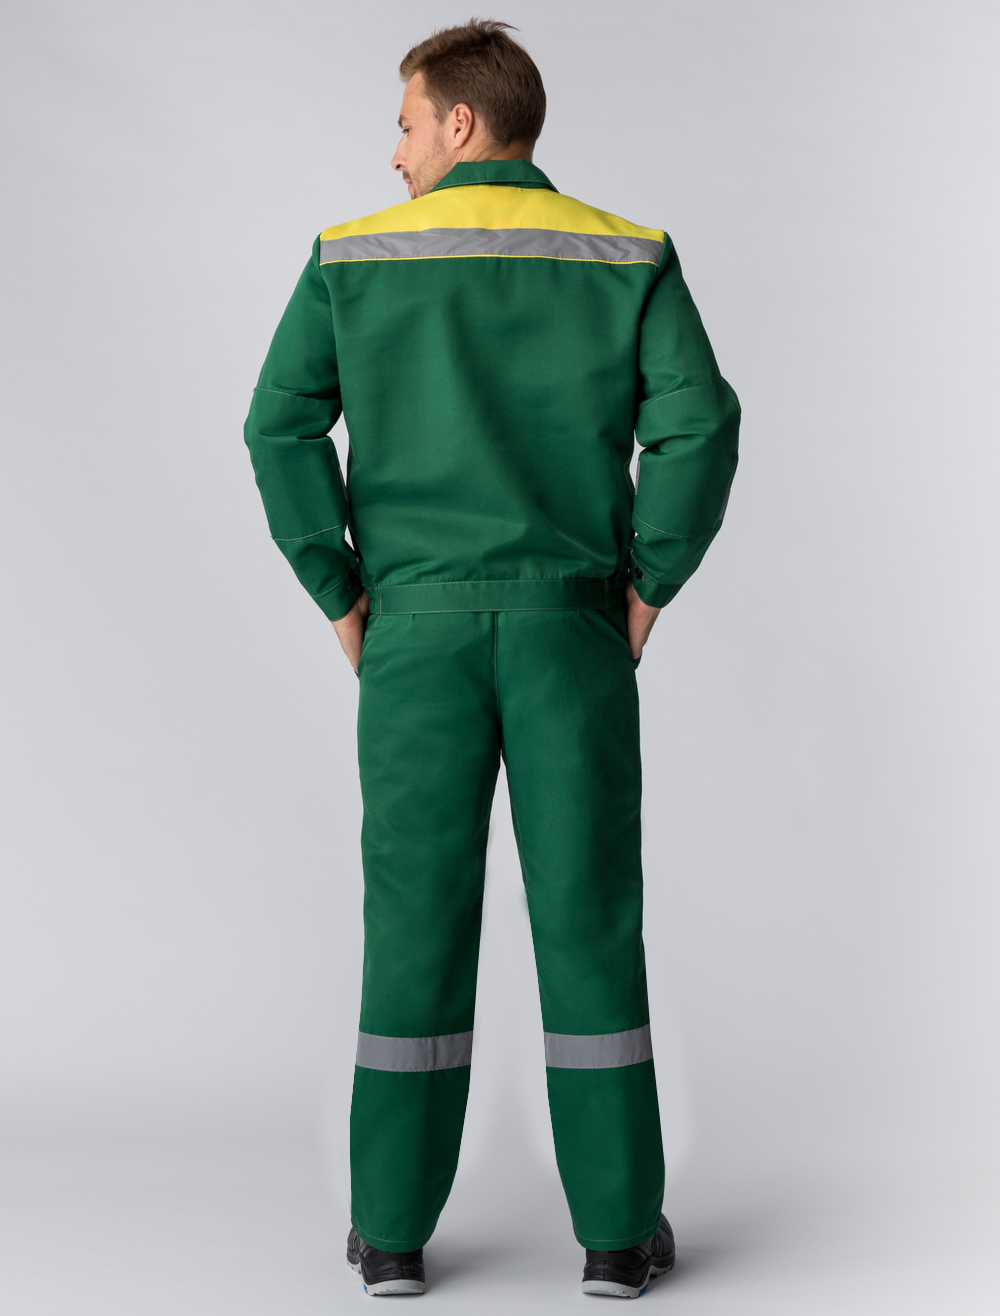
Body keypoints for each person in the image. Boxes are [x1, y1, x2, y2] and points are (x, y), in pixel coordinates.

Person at [244, 18, 739, 1300]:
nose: (394, 149)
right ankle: (616, 1236)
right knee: (590, 915)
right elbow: (699, 424)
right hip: (573, 630)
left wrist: (342, 595)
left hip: (414, 640)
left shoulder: (349, 256)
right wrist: (645, 590)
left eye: (406, 122)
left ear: (461, 121)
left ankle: (390, 1234)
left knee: (412, 918)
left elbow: (276, 426)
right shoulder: (626, 250)